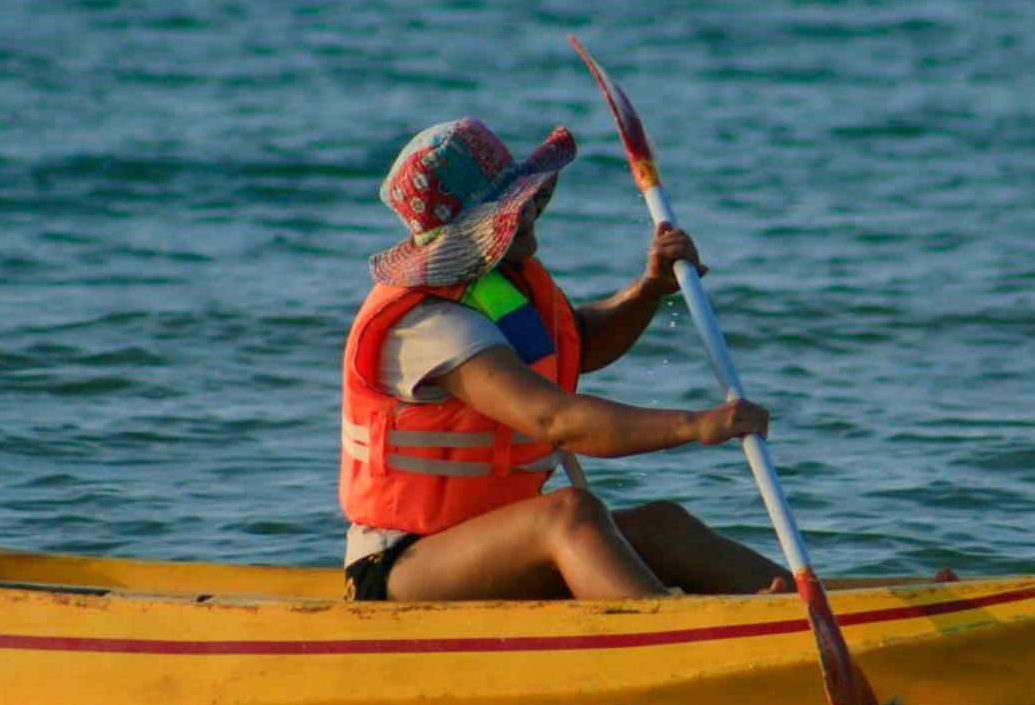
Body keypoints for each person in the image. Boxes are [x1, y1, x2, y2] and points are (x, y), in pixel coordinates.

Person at [340, 116, 795, 603]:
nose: (528, 213)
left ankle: (807, 609)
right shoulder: (428, 324)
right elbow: (555, 419)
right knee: (570, 512)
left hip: (491, 543)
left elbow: (577, 344)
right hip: (402, 564)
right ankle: (667, 634)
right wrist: (696, 426)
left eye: (521, 202)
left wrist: (648, 292)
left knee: (664, 525)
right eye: (506, 210)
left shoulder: (494, 289)